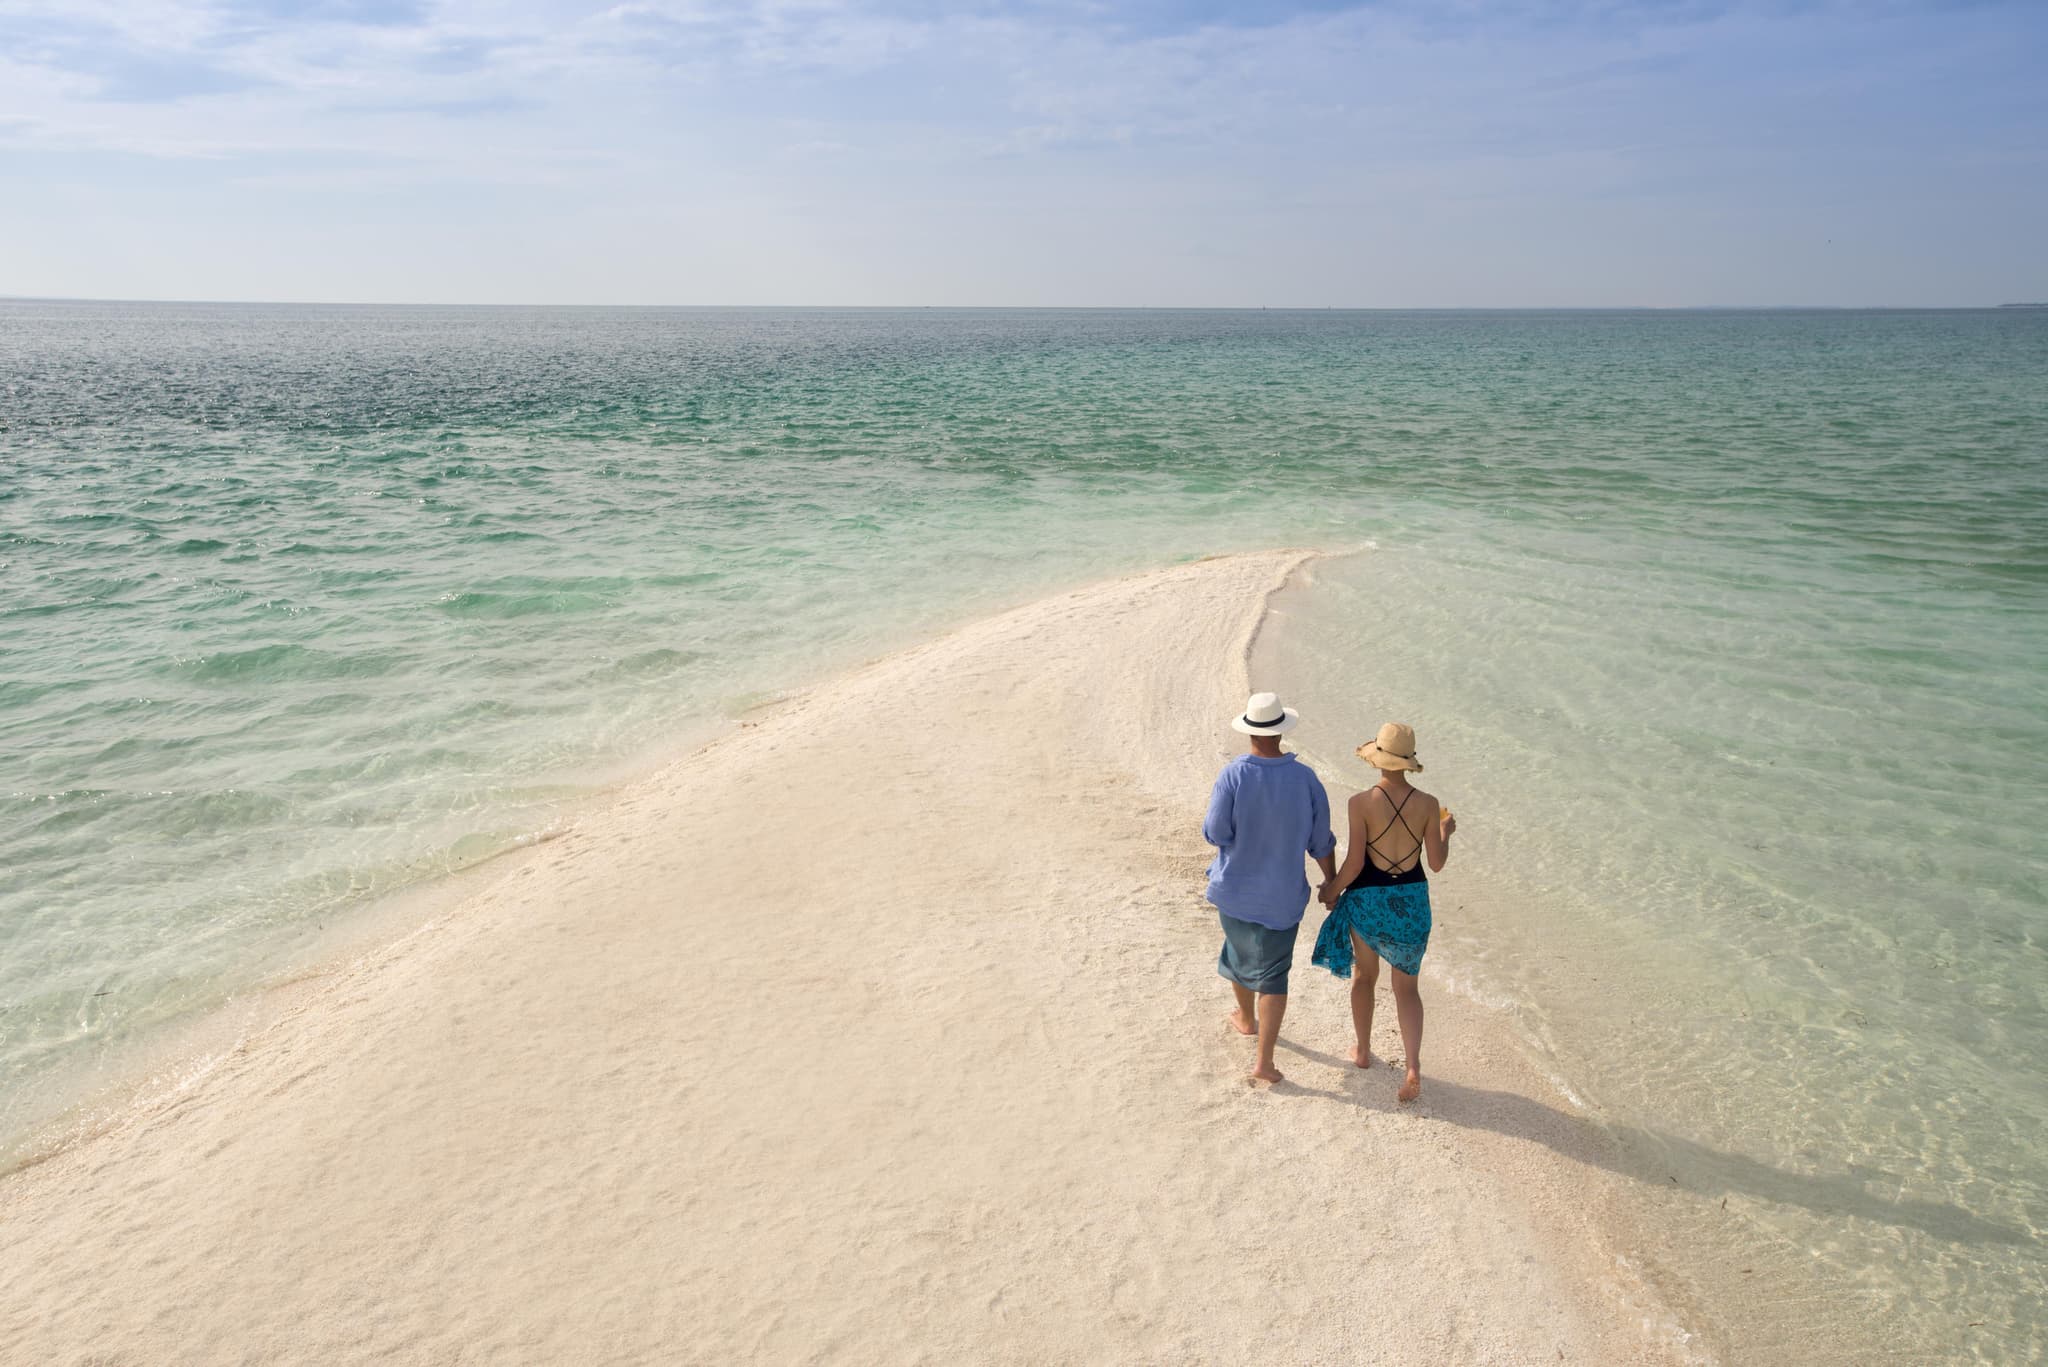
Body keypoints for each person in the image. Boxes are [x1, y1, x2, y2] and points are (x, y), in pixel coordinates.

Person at [1313, 722, 1455, 1103]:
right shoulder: (1427, 804)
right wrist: (1445, 833)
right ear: (1408, 762)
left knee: (1364, 977)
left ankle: (1362, 1051)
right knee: (1407, 989)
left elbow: (1356, 862)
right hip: (1411, 903)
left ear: (1377, 759)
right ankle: (1412, 1067)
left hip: (1369, 901)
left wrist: (1331, 889)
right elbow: (1437, 864)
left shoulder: (1360, 803)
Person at [1202, 692, 1337, 1085]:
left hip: (1233, 889)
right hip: (1282, 897)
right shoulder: (1306, 778)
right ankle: (1264, 1061)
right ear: (1281, 732)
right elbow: (1320, 841)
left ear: (1249, 732)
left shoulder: (1233, 775)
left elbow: (1216, 832)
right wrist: (1331, 883)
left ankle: (1245, 1019)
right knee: (1274, 974)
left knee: (1238, 951)